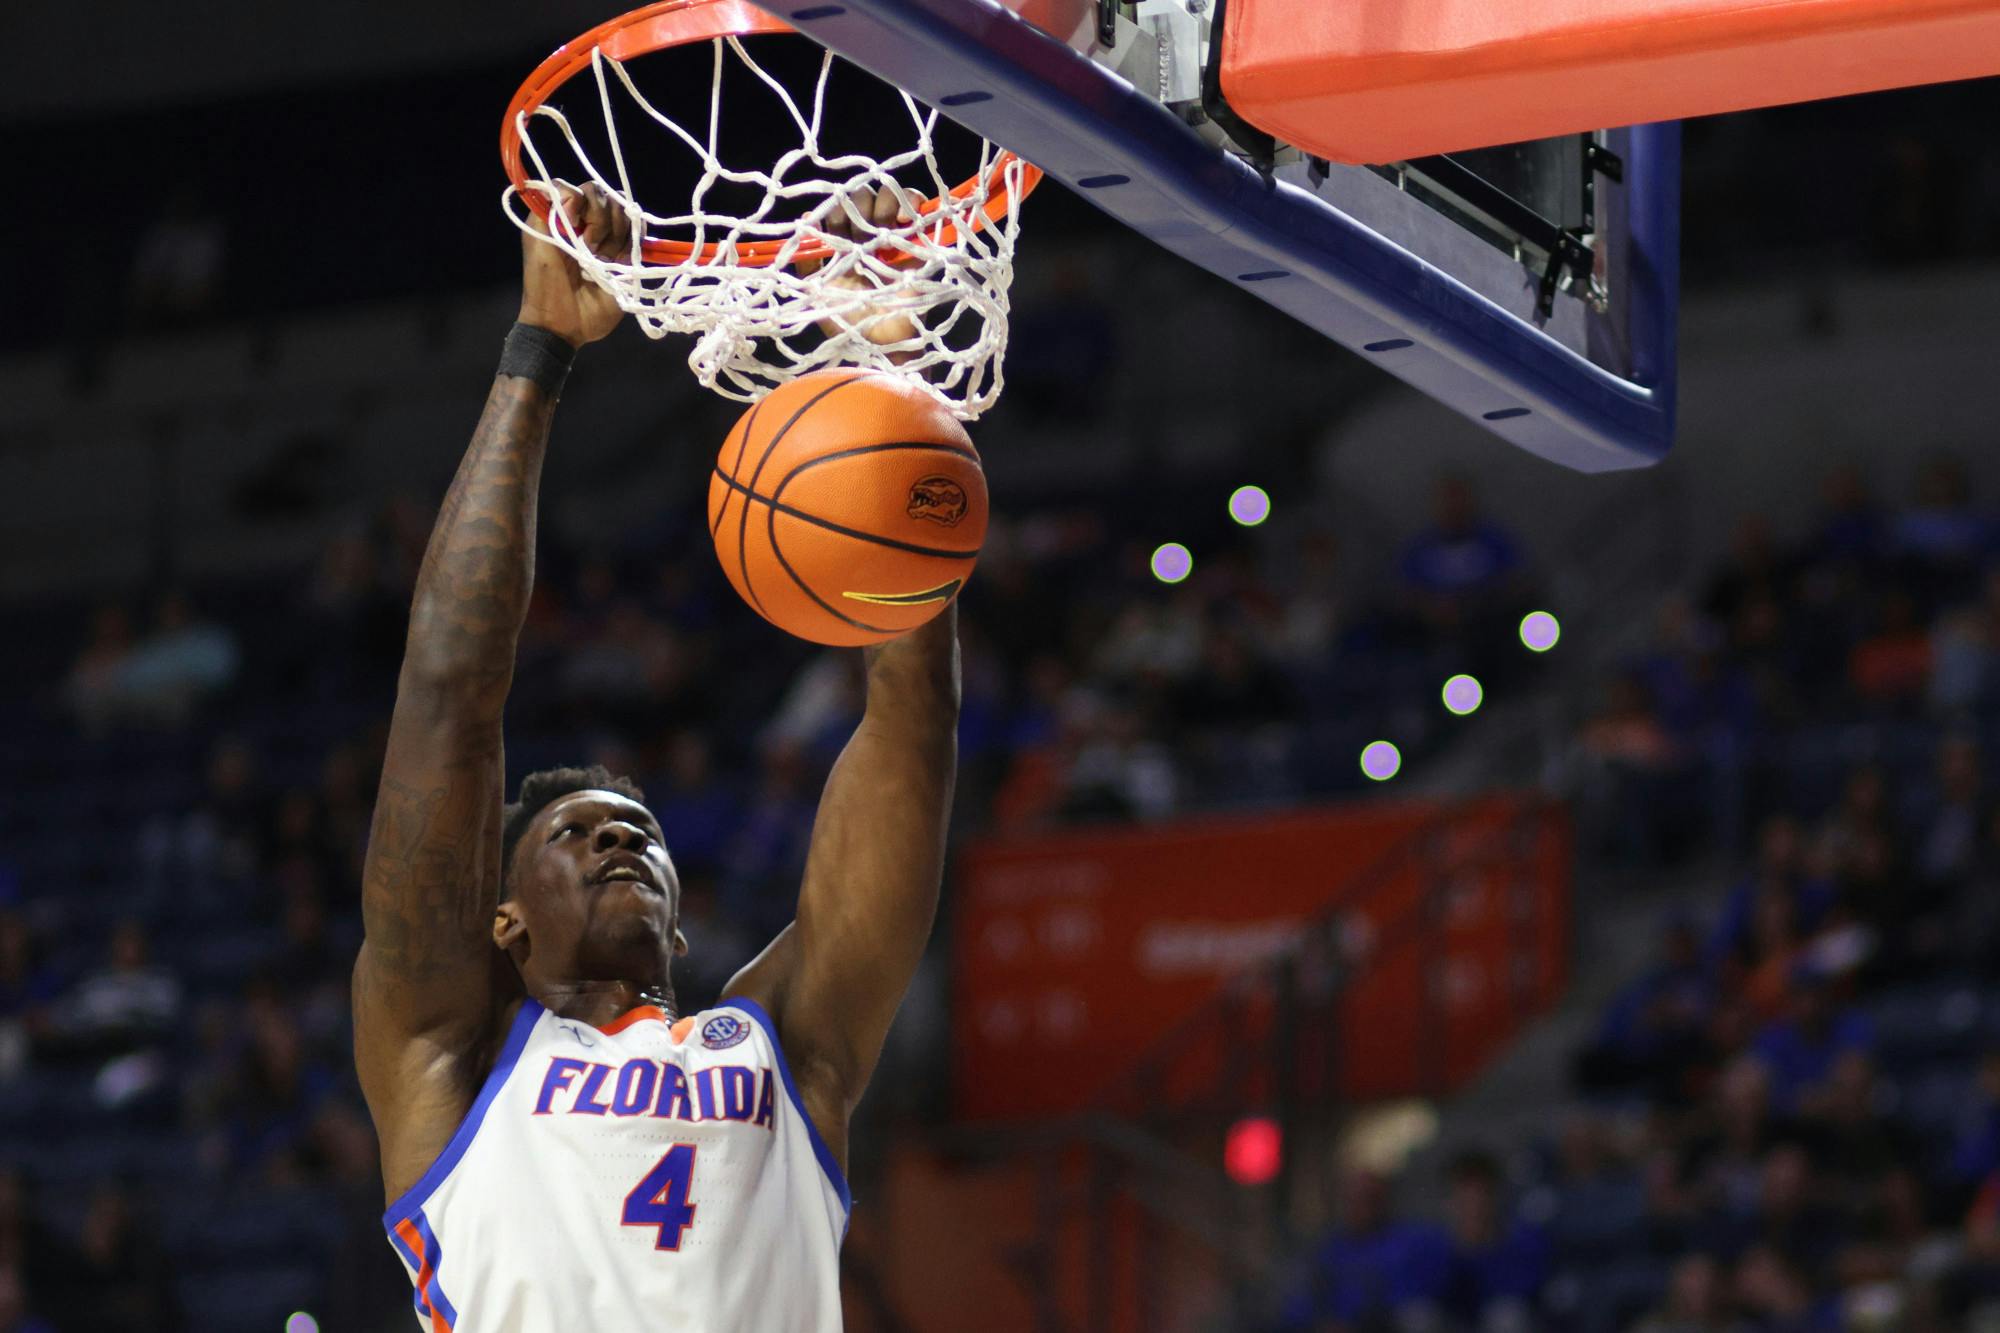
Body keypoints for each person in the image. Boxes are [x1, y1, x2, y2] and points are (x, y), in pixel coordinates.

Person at [352, 183, 960, 1329]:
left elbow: (908, 732)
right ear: (503, 923)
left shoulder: (784, 1048)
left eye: (636, 831)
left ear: (682, 925)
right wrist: (535, 355)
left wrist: (884, 379)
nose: (616, 837)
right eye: (570, 834)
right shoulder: (454, 1056)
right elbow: (448, 698)